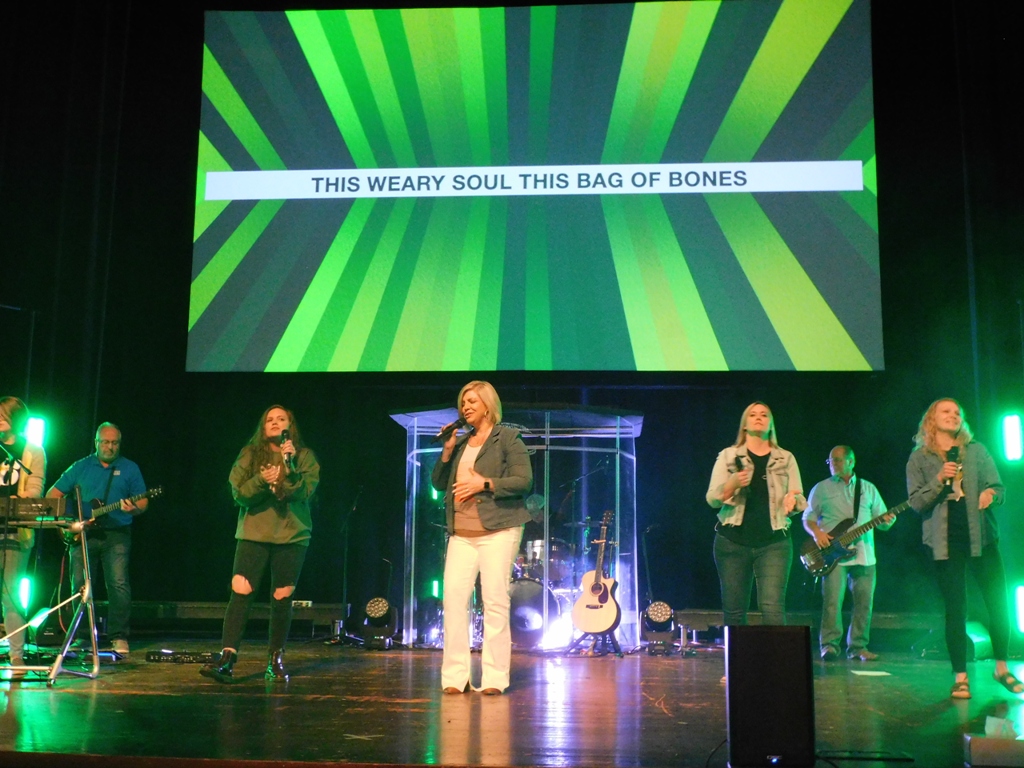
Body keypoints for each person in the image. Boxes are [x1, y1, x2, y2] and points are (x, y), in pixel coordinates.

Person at [906, 398, 1022, 699]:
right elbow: (916, 503)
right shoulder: (919, 458)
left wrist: (990, 494)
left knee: (998, 603)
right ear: (931, 420)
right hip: (945, 541)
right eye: (946, 411)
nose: (953, 415)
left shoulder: (977, 451)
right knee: (956, 609)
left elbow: (999, 488)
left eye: (957, 412)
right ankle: (960, 677)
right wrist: (939, 479)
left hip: (981, 536)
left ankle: (1002, 668)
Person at [201, 405, 319, 684]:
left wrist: (288, 469)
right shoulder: (250, 454)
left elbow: (304, 492)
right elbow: (239, 493)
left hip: (292, 536)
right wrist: (261, 480)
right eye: (270, 420)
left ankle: (275, 660)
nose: (275, 423)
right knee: (240, 591)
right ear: (263, 427)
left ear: (290, 425)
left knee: (282, 597)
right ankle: (227, 659)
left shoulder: (304, 456)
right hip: (254, 534)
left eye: (281, 419)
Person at [432, 381, 532, 695]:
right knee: (453, 601)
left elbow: (524, 481)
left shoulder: (508, 438)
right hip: (461, 534)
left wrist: (485, 484)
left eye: (472, 401)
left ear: (488, 405)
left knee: (495, 602)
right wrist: (448, 449)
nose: (466, 407)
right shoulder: (461, 442)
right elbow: (438, 483)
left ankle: (494, 679)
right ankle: (455, 677)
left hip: (498, 530)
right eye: (463, 402)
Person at [47, 422, 147, 655]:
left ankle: (118, 636)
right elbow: (53, 495)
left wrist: (133, 509)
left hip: (117, 533)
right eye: (105, 442)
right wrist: (67, 522)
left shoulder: (129, 468)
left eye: (115, 443)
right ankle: (81, 635)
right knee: (79, 585)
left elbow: (143, 501)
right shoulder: (80, 466)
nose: (110, 447)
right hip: (83, 534)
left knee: (118, 583)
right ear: (96, 442)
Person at [706, 402, 806, 626]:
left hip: (774, 543)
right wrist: (732, 484)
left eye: (764, 415)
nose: (758, 417)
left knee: (772, 608)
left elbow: (798, 496)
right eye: (752, 414)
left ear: (771, 424)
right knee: (734, 610)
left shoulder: (786, 458)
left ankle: (775, 651)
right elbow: (712, 499)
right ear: (744, 424)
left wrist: (793, 500)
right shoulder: (728, 455)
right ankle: (739, 651)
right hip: (732, 542)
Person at [803, 446, 895, 661]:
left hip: (864, 555)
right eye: (830, 461)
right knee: (832, 602)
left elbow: (882, 522)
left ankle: (858, 647)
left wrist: (888, 521)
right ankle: (829, 645)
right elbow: (807, 517)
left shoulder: (868, 488)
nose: (833, 464)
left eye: (837, 460)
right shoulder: (821, 488)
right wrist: (817, 533)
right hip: (832, 555)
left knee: (864, 604)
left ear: (851, 462)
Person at [0, 397, 46, 672]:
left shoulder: (32, 450)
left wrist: (21, 499)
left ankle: (16, 654)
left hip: (16, 532)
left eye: (3, 414)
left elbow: (35, 490)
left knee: (10, 594)